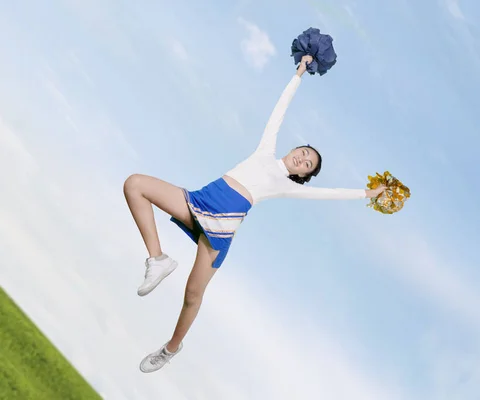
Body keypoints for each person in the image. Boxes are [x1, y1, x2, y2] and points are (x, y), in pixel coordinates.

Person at [123, 55, 386, 373]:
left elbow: (328, 193)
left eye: (307, 165)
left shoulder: (286, 185)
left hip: (219, 230)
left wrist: (367, 194)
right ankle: (158, 259)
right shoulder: (266, 151)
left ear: (303, 175)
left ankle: (170, 348)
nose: (302, 159)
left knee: (193, 293)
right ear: (292, 149)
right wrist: (299, 74)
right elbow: (279, 111)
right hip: (199, 202)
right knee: (135, 184)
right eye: (303, 153)